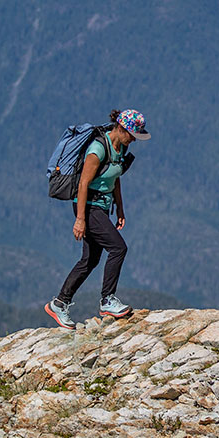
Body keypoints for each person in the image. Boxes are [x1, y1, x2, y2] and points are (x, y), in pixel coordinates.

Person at [45, 108, 150, 330]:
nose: (133, 140)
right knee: (118, 248)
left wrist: (120, 209)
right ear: (120, 128)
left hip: (101, 207)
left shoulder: (119, 148)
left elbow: (115, 178)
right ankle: (107, 300)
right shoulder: (97, 149)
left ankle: (59, 303)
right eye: (131, 135)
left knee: (90, 260)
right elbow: (83, 184)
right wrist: (80, 220)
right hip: (89, 206)